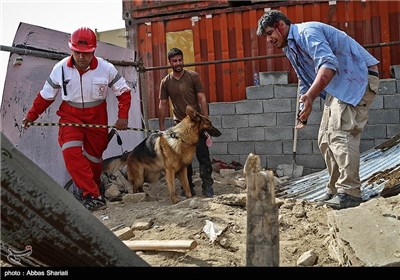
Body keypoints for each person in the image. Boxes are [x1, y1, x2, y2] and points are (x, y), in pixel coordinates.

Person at [256, 10, 380, 210]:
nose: (269, 39)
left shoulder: (307, 32)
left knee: (341, 133)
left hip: (358, 78)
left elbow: (328, 65)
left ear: (281, 25)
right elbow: (305, 79)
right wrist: (304, 108)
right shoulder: (291, 48)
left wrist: (312, 96)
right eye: (266, 36)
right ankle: (334, 189)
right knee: (324, 138)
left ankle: (350, 192)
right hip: (340, 86)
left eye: (270, 33)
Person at [22, 27, 132, 212]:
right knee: (71, 152)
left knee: (94, 159)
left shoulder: (106, 68)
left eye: (86, 53)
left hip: (97, 117)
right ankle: (92, 195)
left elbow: (124, 93)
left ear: (94, 50)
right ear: (71, 49)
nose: (81, 57)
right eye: (77, 52)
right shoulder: (60, 69)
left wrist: (123, 117)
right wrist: (31, 116)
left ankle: (95, 187)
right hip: (70, 116)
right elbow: (46, 96)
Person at [158, 47, 215, 198]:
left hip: (196, 125)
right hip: (180, 128)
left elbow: (202, 98)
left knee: (203, 156)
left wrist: (205, 119)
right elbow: (162, 104)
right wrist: (162, 128)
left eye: (180, 60)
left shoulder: (193, 77)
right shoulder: (166, 82)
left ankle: (207, 187)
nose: (178, 63)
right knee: (184, 161)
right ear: (169, 62)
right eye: (174, 61)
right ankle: (187, 188)